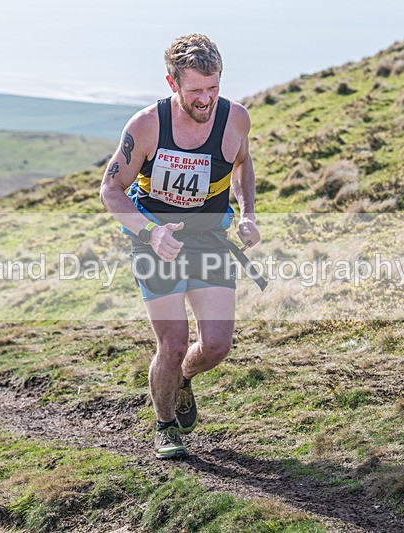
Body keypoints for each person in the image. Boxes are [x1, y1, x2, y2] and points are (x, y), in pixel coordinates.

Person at [99, 34, 260, 459]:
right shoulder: (146, 126)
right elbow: (111, 189)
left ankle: (183, 378)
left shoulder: (235, 119)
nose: (206, 99)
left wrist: (247, 214)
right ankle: (166, 425)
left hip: (208, 239)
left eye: (213, 87)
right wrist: (149, 232)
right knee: (172, 343)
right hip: (156, 241)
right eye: (195, 91)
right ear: (172, 84)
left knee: (216, 346)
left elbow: (242, 164)